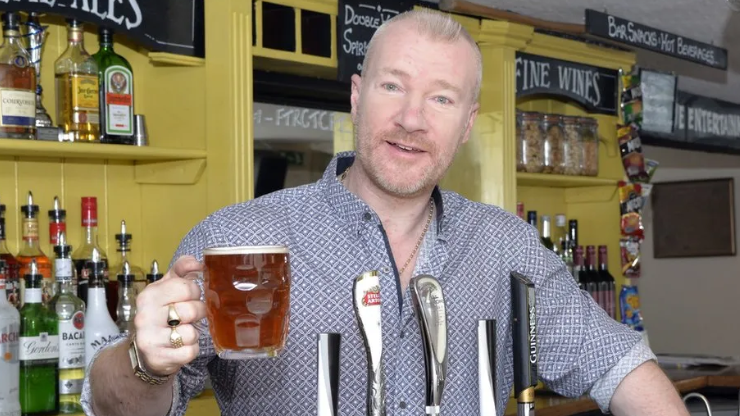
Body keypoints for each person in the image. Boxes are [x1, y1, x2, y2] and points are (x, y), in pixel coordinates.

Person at [81, 8, 690, 416]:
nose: (411, 119)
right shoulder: (242, 238)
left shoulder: (504, 247)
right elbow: (111, 404)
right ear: (356, 95)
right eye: (392, 85)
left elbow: (619, 364)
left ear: (468, 124)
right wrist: (144, 359)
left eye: (441, 98)